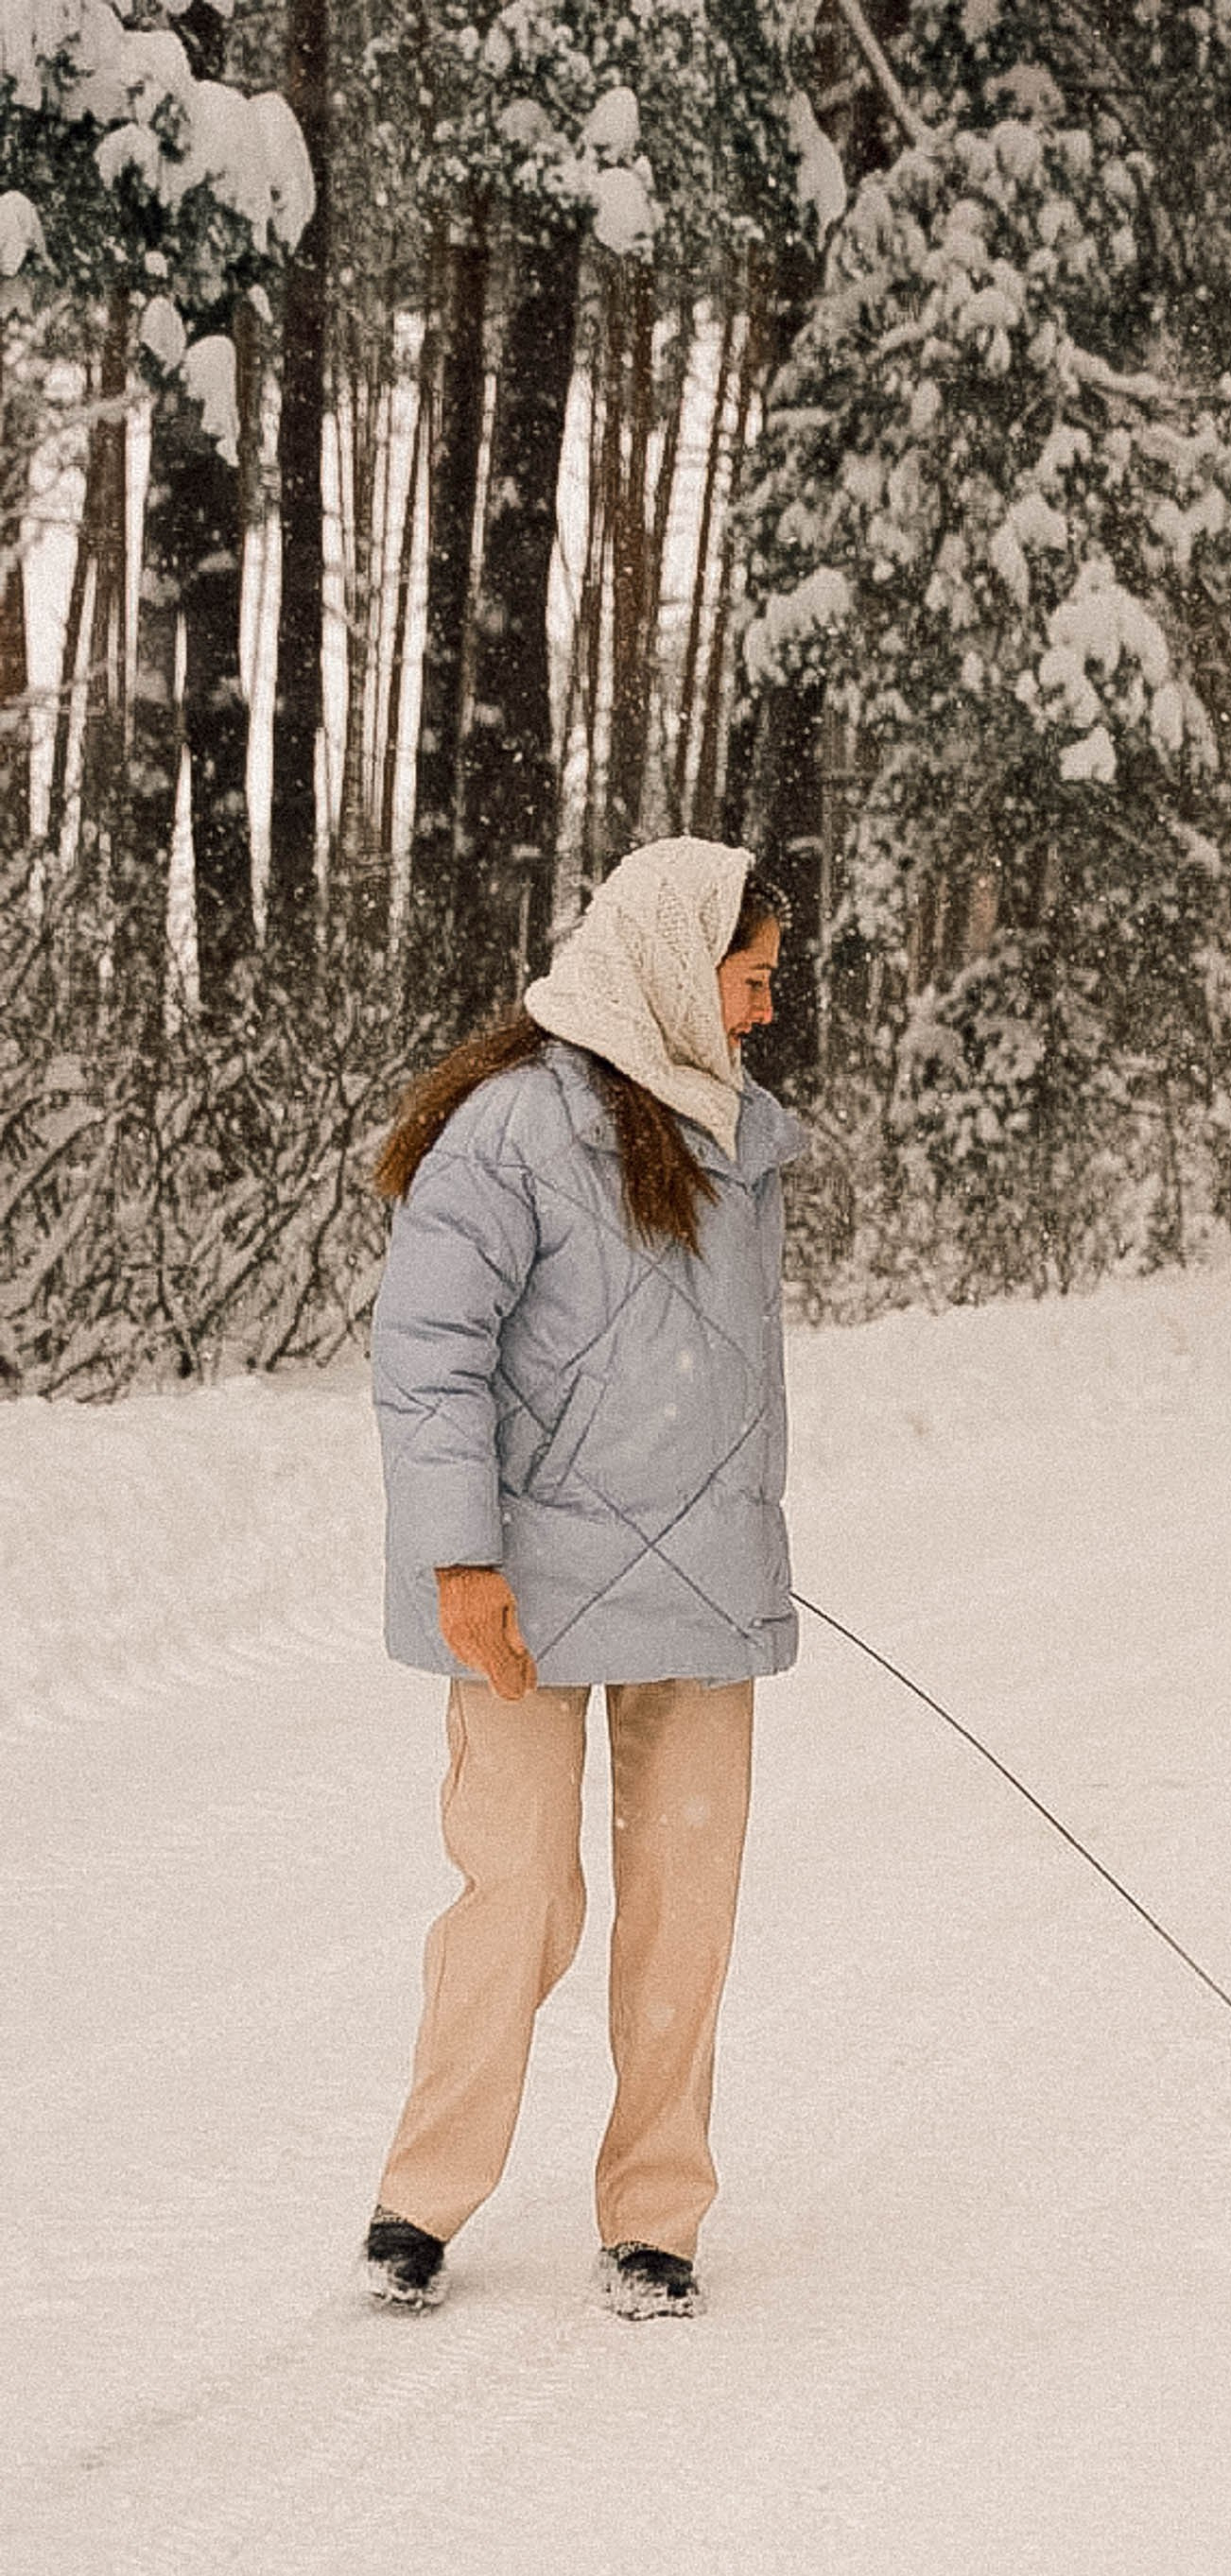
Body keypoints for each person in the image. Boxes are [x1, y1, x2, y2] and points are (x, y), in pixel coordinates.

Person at [360, 837, 804, 2317]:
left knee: (687, 1900)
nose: (758, 1015)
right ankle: (422, 2199)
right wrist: (460, 1559)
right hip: (523, 1595)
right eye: (746, 982)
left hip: (697, 1585)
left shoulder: (737, 1139)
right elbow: (428, 1361)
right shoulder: (507, 1131)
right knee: (519, 1893)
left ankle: (655, 2215)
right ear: (678, 967)